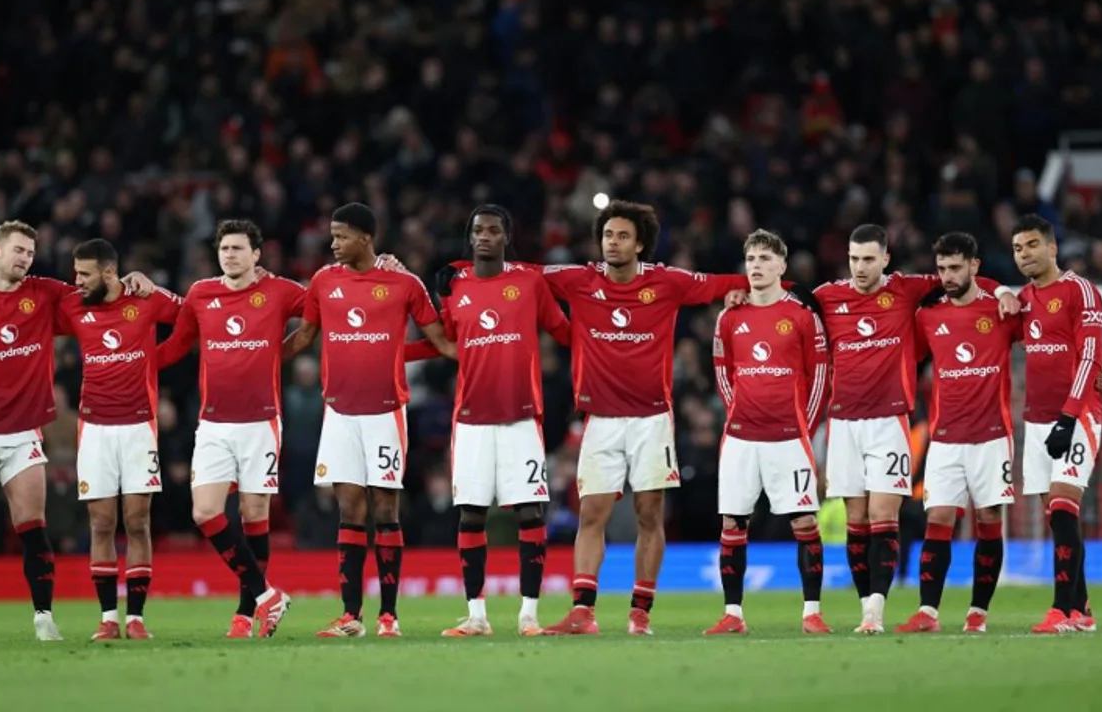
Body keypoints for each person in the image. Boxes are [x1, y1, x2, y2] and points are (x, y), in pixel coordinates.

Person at [0, 220, 153, 644]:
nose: (25, 259)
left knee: (32, 522)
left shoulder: (45, 294)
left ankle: (44, 617)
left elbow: (99, 297)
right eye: (18, 250)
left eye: (30, 252)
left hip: (22, 433)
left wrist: (131, 280)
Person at [538, 200, 759, 636]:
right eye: (607, 236)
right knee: (591, 514)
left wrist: (748, 290)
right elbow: (522, 274)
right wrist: (461, 272)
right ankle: (583, 612)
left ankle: (640, 613)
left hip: (651, 419)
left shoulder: (667, 282)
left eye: (622, 236)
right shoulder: (580, 280)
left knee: (649, 513)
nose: (613, 243)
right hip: (600, 419)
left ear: (639, 243)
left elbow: (729, 281)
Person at [813, 224, 1016, 633]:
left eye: (869, 258)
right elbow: (789, 302)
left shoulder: (909, 292)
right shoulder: (827, 297)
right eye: (854, 259)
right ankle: (880, 607)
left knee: (890, 514)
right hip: (844, 422)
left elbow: (963, 281)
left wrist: (1002, 290)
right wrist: (743, 293)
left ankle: (899, 611)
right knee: (860, 518)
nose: (860, 267)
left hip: (894, 421)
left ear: (886, 259)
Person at [282, 203, 455, 638]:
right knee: (350, 510)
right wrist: (262, 358)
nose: (334, 244)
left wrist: (487, 346)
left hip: (385, 413)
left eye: (341, 236)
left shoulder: (403, 282)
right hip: (339, 413)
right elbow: (304, 335)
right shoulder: (323, 281)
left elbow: (441, 341)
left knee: (385, 508)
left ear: (365, 237)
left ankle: (389, 616)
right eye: (332, 236)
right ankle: (351, 615)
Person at [404, 204, 571, 637]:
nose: (485, 236)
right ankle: (476, 616)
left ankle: (528, 615)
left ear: (506, 237)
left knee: (531, 513)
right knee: (472, 515)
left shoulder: (529, 282)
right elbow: (441, 341)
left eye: (494, 230)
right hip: (472, 420)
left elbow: (564, 330)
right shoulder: (454, 287)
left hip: (520, 418)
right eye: (478, 230)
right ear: (470, 236)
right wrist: (391, 351)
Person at [157, 219, 302, 638]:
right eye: (224, 249)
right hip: (215, 423)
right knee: (205, 511)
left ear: (257, 254)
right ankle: (267, 596)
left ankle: (245, 614)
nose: (230, 255)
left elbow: (320, 311)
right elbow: (178, 344)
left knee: (255, 514)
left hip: (261, 421)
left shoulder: (280, 291)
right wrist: (137, 363)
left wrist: (285, 352)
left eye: (238, 249)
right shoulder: (202, 294)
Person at [706, 229, 831, 635]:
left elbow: (819, 375)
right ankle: (733, 615)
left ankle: (812, 612)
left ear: (782, 265)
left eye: (764, 259)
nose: (756, 266)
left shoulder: (800, 315)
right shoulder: (730, 316)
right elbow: (722, 372)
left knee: (805, 523)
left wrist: (803, 427)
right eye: (751, 259)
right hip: (741, 438)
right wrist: (736, 411)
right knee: (732, 524)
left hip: (788, 439)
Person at [896, 233, 1020, 634]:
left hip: (991, 435)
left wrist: (1000, 289)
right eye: (942, 269)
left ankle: (977, 614)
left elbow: (1044, 334)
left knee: (988, 518)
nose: (947, 276)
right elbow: (907, 357)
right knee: (939, 517)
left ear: (974, 266)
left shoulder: (1001, 310)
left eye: (955, 268)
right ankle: (928, 613)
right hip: (945, 437)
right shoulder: (928, 315)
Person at [60, 238, 183, 641]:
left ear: (109, 273)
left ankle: (137, 618)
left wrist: (156, 360)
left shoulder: (144, 300)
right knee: (101, 522)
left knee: (136, 521)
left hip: (138, 427)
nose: (76, 281)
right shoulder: (73, 305)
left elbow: (191, 318)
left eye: (84, 274)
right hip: (94, 428)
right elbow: (27, 308)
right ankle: (108, 618)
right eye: (75, 273)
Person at [1011, 214, 1102, 634]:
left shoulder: (1079, 290)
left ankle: (1061, 611)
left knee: (1065, 507)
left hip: (1077, 415)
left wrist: (1068, 417)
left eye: (1031, 245)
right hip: (1036, 420)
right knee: (1056, 516)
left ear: (1052, 248)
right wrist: (1000, 298)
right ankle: (1081, 608)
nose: (1024, 254)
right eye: (1017, 248)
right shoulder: (1023, 299)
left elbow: (1089, 358)